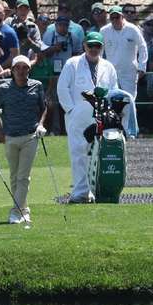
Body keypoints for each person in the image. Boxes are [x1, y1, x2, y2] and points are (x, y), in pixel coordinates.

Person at [56, 31, 118, 203]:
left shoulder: (108, 66)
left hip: (100, 116)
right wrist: (71, 110)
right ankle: (80, 192)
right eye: (90, 45)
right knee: (78, 153)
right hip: (78, 116)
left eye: (97, 46)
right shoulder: (72, 63)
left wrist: (107, 103)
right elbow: (62, 88)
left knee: (97, 154)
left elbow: (114, 90)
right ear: (84, 45)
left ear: (102, 47)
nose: (93, 49)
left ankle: (94, 190)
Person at [0, 55, 48, 223]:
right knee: (15, 176)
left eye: (25, 68)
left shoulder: (37, 86)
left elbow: (44, 108)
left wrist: (40, 125)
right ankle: (24, 209)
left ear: (29, 69)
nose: (21, 71)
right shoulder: (3, 89)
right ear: (12, 70)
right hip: (10, 137)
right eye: (18, 68)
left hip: (30, 136)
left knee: (23, 176)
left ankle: (15, 212)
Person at [100, 5, 147, 135]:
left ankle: (130, 132)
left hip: (129, 72)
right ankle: (111, 130)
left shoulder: (133, 29)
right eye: (112, 17)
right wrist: (99, 69)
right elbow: (99, 51)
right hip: (110, 72)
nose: (115, 19)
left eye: (117, 16)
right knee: (109, 100)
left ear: (122, 16)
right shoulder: (104, 31)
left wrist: (142, 67)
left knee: (129, 101)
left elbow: (143, 47)